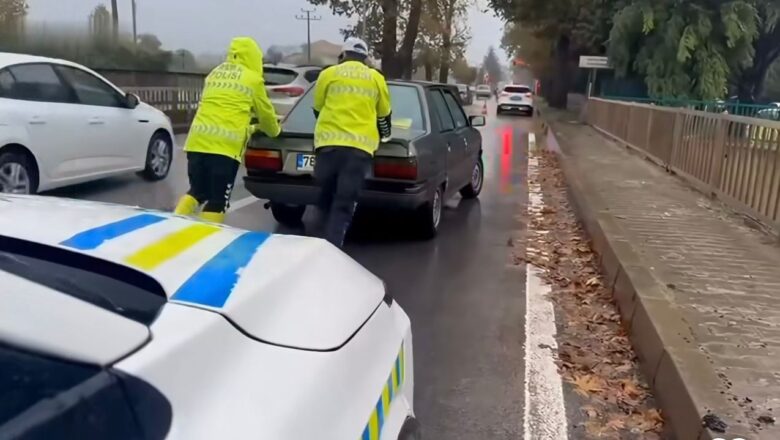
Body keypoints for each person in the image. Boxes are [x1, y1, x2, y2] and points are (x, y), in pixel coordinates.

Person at [174, 37, 280, 223]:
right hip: (224, 149)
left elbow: (222, 111)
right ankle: (209, 236)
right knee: (218, 200)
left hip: (196, 143)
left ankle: (173, 223)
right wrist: (274, 131)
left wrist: (250, 127)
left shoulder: (214, 74)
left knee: (197, 192)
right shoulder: (252, 79)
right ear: (254, 57)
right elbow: (266, 115)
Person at [312, 37, 392, 247]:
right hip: (358, 150)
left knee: (324, 198)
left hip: (327, 147)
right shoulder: (375, 78)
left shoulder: (328, 74)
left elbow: (317, 108)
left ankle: (316, 244)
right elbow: (384, 115)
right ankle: (332, 249)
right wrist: (385, 135)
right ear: (365, 57)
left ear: (343, 54)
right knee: (343, 203)